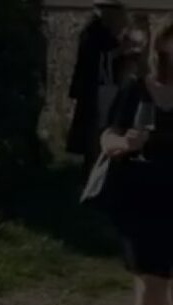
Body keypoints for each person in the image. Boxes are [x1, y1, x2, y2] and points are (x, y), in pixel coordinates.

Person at [98, 23, 173, 305]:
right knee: (151, 286)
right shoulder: (135, 89)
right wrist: (122, 143)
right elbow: (106, 136)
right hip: (142, 198)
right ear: (162, 44)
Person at [67, 0, 129, 175]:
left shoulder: (100, 31)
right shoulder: (95, 32)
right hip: (95, 92)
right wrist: (119, 52)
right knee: (94, 134)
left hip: (101, 91)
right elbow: (97, 61)